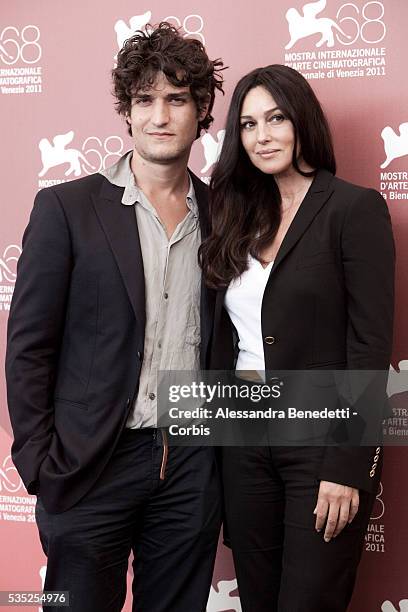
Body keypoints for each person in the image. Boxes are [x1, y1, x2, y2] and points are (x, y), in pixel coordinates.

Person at [6, 23, 224, 612]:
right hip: (88, 463)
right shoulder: (67, 208)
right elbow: (28, 346)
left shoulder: (222, 215)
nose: (160, 115)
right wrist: (40, 462)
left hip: (189, 464)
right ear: (127, 112)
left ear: (201, 110)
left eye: (176, 99)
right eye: (145, 99)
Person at [199, 64, 394, 611]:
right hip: (243, 438)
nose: (262, 135)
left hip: (321, 440)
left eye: (276, 118)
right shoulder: (233, 215)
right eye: (248, 124)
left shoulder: (353, 209)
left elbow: (370, 347)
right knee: (258, 600)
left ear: (302, 120)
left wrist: (347, 465)